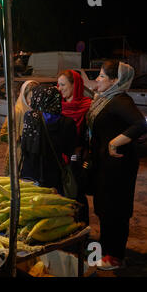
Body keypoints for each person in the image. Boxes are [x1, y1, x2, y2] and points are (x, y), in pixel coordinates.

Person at [86, 61, 147, 270]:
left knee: (116, 210)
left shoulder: (120, 100)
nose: (97, 80)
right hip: (106, 165)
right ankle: (105, 251)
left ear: (115, 80)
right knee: (104, 208)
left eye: (102, 76)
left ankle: (115, 256)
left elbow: (140, 124)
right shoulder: (106, 99)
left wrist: (115, 141)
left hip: (119, 167)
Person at [21, 85, 77, 194]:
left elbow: (25, 147)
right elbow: (70, 150)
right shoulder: (68, 123)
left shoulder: (30, 117)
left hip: (31, 170)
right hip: (54, 171)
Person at [57, 70, 92, 224]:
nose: (59, 88)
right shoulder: (58, 106)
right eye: (58, 84)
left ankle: (82, 230)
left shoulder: (88, 107)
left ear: (75, 85)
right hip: (60, 161)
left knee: (78, 197)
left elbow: (92, 137)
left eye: (63, 84)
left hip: (78, 162)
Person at [0, 80, 40, 175]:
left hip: (34, 157)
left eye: (35, 98)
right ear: (23, 96)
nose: (31, 102)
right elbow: (3, 134)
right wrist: (17, 138)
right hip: (18, 157)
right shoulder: (16, 111)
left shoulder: (38, 112)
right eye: (30, 98)